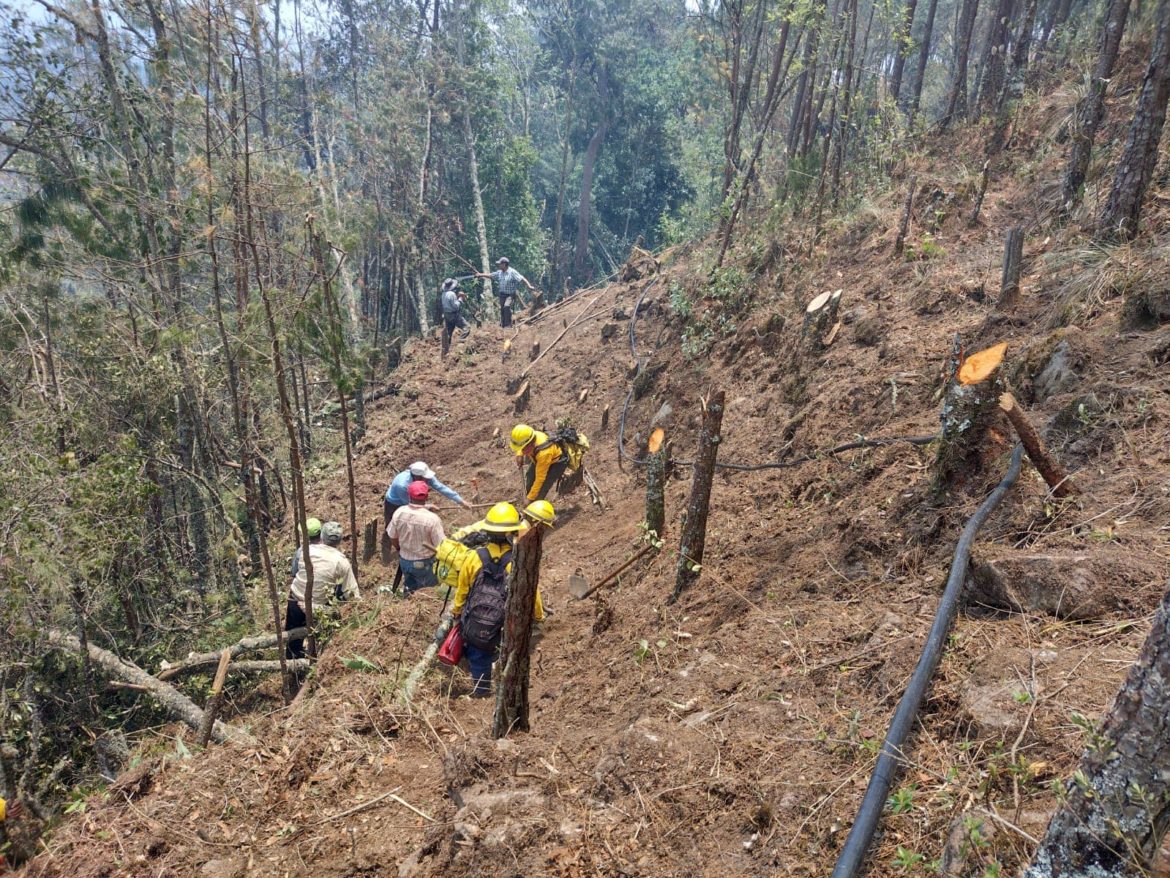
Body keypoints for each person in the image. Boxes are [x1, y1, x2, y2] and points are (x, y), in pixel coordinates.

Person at [449, 502, 535, 698]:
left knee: (477, 653)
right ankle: (503, 681)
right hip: (505, 622)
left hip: (477, 621)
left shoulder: (473, 557)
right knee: (504, 650)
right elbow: (531, 592)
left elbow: (462, 590)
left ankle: (481, 691)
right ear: (512, 532)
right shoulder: (516, 562)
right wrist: (537, 617)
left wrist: (456, 613)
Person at [286, 518, 360, 658]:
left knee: (292, 636)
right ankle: (319, 656)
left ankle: (292, 662)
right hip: (319, 606)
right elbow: (352, 594)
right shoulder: (341, 561)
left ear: (321, 536)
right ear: (339, 541)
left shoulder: (304, 551)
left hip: (295, 599)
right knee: (325, 630)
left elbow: (295, 573)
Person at [383, 461, 471, 566]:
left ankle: (411, 545)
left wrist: (460, 501)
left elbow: (441, 487)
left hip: (410, 501)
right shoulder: (402, 485)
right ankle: (386, 554)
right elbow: (411, 505)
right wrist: (428, 507)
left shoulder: (425, 477)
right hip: (394, 503)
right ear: (417, 477)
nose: (428, 480)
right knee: (391, 526)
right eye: (425, 478)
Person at [388, 481, 445, 595]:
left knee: (409, 590)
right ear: (427, 496)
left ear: (409, 495)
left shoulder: (399, 512)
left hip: (405, 560)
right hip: (425, 563)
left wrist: (399, 549)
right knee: (428, 594)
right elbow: (442, 545)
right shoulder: (432, 520)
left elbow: (392, 536)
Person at [510, 423, 569, 502]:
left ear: (530, 444)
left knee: (541, 489)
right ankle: (528, 495)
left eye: (523, 449)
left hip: (556, 463)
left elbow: (540, 479)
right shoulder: (530, 436)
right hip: (540, 460)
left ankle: (536, 505)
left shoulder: (544, 453)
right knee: (530, 476)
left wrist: (530, 498)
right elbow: (521, 446)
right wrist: (519, 455)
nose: (523, 452)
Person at [476, 257, 536, 328]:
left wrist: (529, 286)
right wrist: (480, 275)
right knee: (502, 309)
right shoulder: (500, 272)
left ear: (504, 264)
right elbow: (491, 275)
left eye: (500, 264)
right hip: (502, 294)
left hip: (510, 295)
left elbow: (522, 278)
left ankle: (508, 325)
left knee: (506, 307)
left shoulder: (512, 272)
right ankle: (503, 324)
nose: (499, 265)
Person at [440, 278, 471, 359]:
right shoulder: (452, 294)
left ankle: (446, 351)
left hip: (447, 315)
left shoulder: (443, 294)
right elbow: (455, 306)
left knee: (449, 333)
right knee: (467, 327)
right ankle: (460, 342)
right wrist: (460, 299)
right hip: (454, 315)